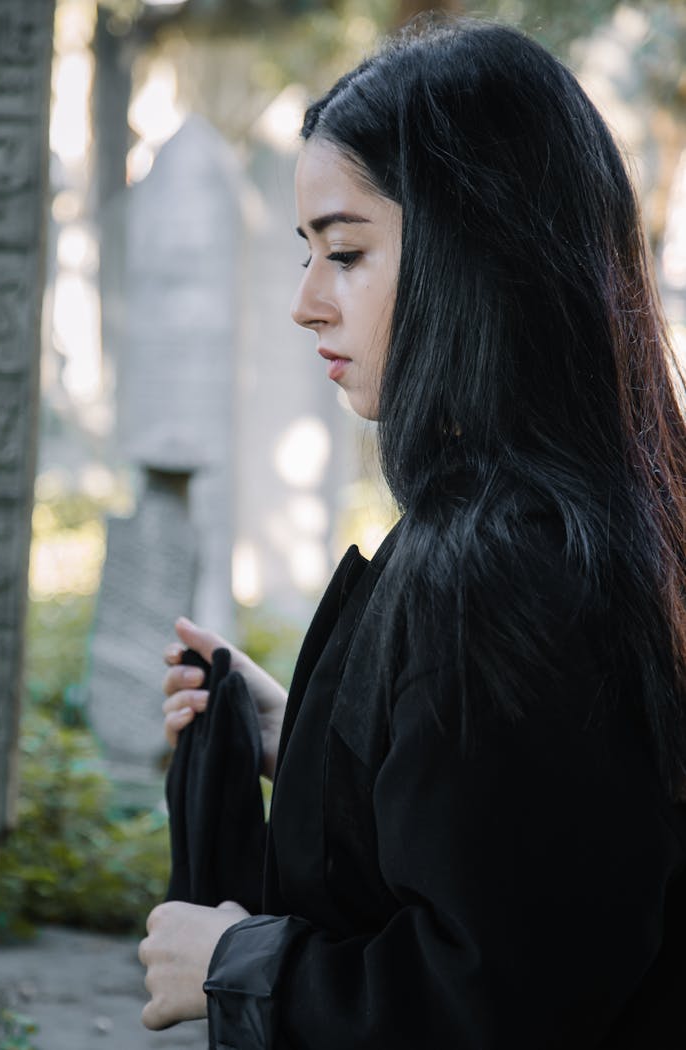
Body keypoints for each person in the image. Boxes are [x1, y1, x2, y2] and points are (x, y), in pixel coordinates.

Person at [138, 16, 686, 1048]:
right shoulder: (552, 525)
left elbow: (498, 996)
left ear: (480, 250)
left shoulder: (508, 565)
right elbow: (515, 835)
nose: (306, 303)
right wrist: (309, 735)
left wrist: (235, 963)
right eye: (307, 252)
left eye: (345, 252)